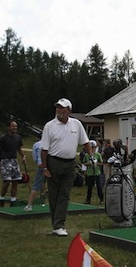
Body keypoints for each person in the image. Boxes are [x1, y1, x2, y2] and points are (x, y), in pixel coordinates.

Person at [41, 98, 91, 237]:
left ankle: (59, 225)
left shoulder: (76, 124)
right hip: (53, 162)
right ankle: (56, 225)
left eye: (62, 107)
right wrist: (45, 168)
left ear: (69, 110)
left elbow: (85, 142)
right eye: (57, 107)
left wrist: (91, 155)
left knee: (65, 194)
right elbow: (44, 149)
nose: (59, 110)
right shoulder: (49, 126)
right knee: (54, 194)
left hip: (70, 163)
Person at [0, 120, 26, 207]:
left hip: (14, 160)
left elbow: (19, 149)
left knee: (16, 181)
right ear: (9, 127)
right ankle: (1, 199)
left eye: (16, 126)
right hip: (5, 160)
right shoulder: (3, 138)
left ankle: (13, 200)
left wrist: (23, 157)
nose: (15, 128)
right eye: (13, 126)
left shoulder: (18, 137)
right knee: (7, 181)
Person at [23, 139, 46, 211]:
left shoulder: (36, 144)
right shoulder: (52, 143)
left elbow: (35, 157)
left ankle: (29, 205)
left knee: (36, 186)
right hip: (50, 165)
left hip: (41, 165)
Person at [83, 140, 104, 205]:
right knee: (89, 187)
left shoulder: (98, 155)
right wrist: (88, 164)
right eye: (91, 147)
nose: (92, 149)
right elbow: (84, 163)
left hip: (97, 173)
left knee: (99, 187)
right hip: (90, 173)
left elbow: (102, 163)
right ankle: (88, 199)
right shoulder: (86, 155)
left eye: (93, 147)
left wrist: (96, 163)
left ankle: (101, 199)